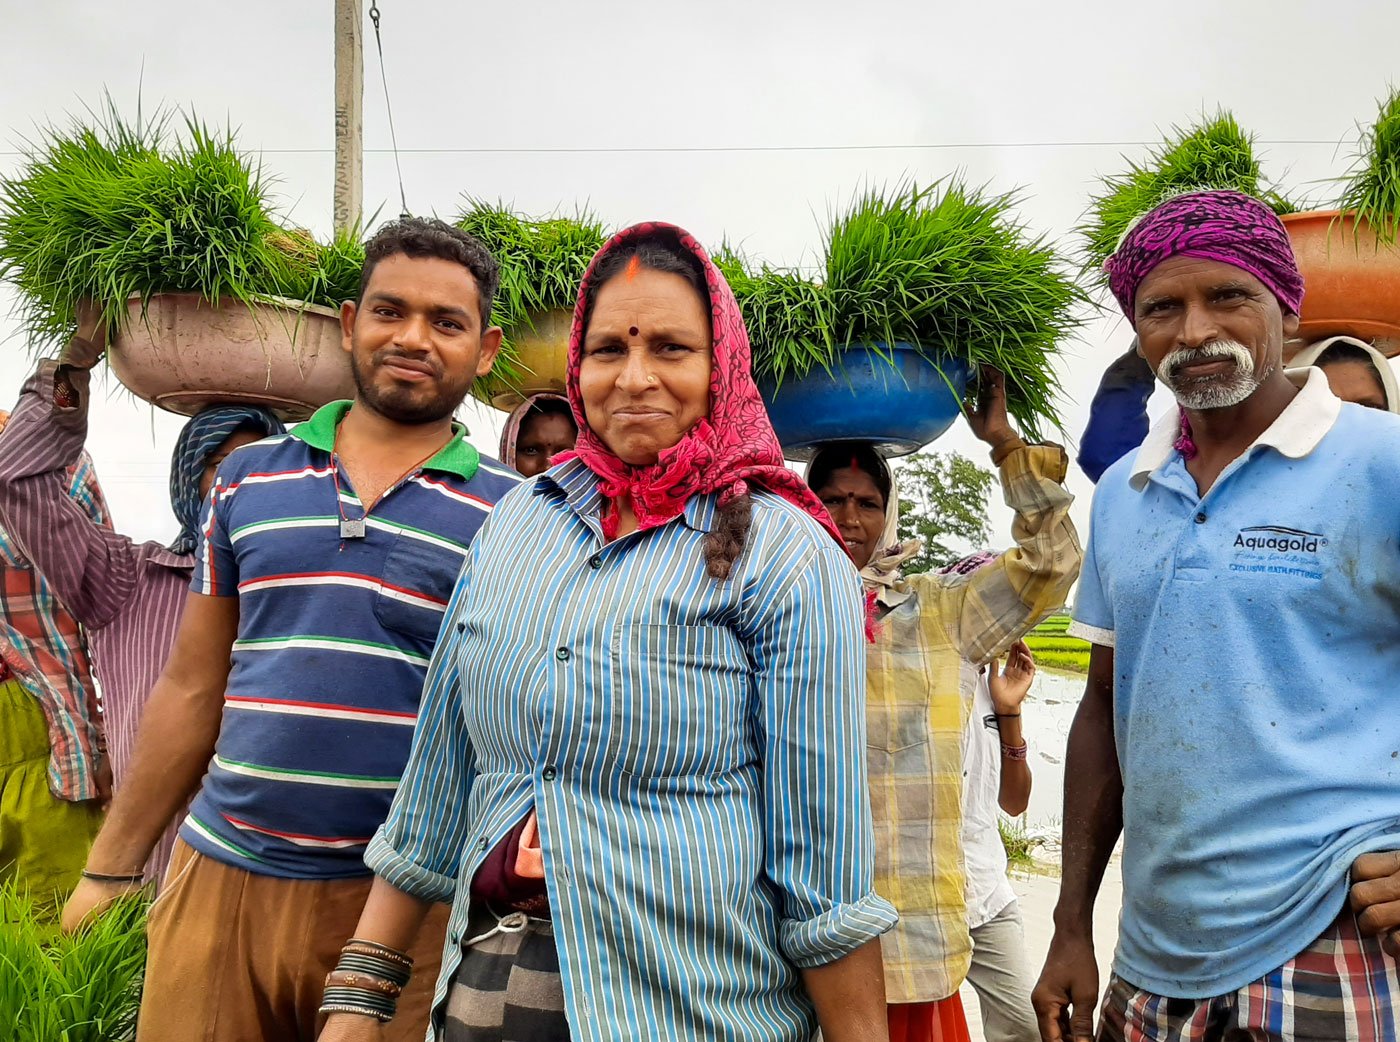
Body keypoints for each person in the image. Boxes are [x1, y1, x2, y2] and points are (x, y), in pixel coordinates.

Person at [318, 222, 897, 1042]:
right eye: (606, 351)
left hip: (694, 1013)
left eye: (670, 348)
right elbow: (437, 785)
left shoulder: (788, 556)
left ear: (720, 366)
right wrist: (360, 998)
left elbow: (824, 866)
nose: (634, 379)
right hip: (492, 995)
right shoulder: (518, 522)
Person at [60, 216, 521, 1042]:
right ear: (350, 324)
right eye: (391, 312)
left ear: (484, 352)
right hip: (222, 879)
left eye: (445, 322)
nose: (413, 338)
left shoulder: (511, 514)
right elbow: (194, 682)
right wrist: (110, 865)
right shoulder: (246, 480)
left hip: (402, 906)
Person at [1033, 189, 1400, 1042]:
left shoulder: (1381, 462)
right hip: (1155, 959)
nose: (1194, 330)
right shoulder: (1127, 492)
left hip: (1337, 930)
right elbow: (1102, 712)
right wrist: (1071, 924)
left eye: (1227, 296)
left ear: (1285, 304)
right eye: (1162, 307)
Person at [804, 394, 1080, 1042]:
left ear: (889, 511)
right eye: (832, 500)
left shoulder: (937, 612)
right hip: (803, 943)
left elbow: (1054, 564)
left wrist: (1005, 444)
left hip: (913, 947)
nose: (849, 517)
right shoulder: (777, 607)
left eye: (867, 502)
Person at [0, 320, 284, 884]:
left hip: (276, 877)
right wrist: (75, 363)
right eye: (217, 465)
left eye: (260, 466)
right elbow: (18, 481)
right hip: (154, 875)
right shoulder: (126, 579)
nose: (237, 484)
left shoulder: (305, 590)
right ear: (186, 478)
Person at [0, 412, 110, 915]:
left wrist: (110, 735)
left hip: (37, 722)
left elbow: (104, 602)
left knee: (58, 944)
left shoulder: (55, 461)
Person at [1078, 334, 1399, 482]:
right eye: (1326, 404)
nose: (1345, 419)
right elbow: (1111, 463)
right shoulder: (1226, 479)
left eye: (1368, 408)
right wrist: (1140, 361)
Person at [960, 631, 1040, 1042]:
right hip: (910, 888)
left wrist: (1009, 710)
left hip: (985, 890)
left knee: (1027, 1025)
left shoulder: (993, 688)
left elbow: (1014, 802)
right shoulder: (921, 667)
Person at [498, 392, 577, 476]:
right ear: (510, 451)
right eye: (531, 450)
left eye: (563, 452)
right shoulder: (485, 487)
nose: (547, 467)